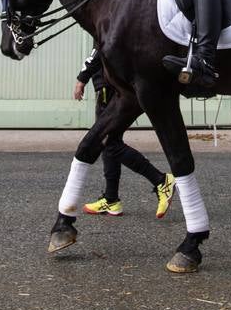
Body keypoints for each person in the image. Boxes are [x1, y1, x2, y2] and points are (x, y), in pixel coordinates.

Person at [74, 46, 177, 216]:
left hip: (109, 86)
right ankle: (111, 199)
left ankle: (161, 180)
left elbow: (100, 48)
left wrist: (82, 78)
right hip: (112, 85)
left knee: (107, 142)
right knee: (109, 143)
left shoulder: (103, 20)